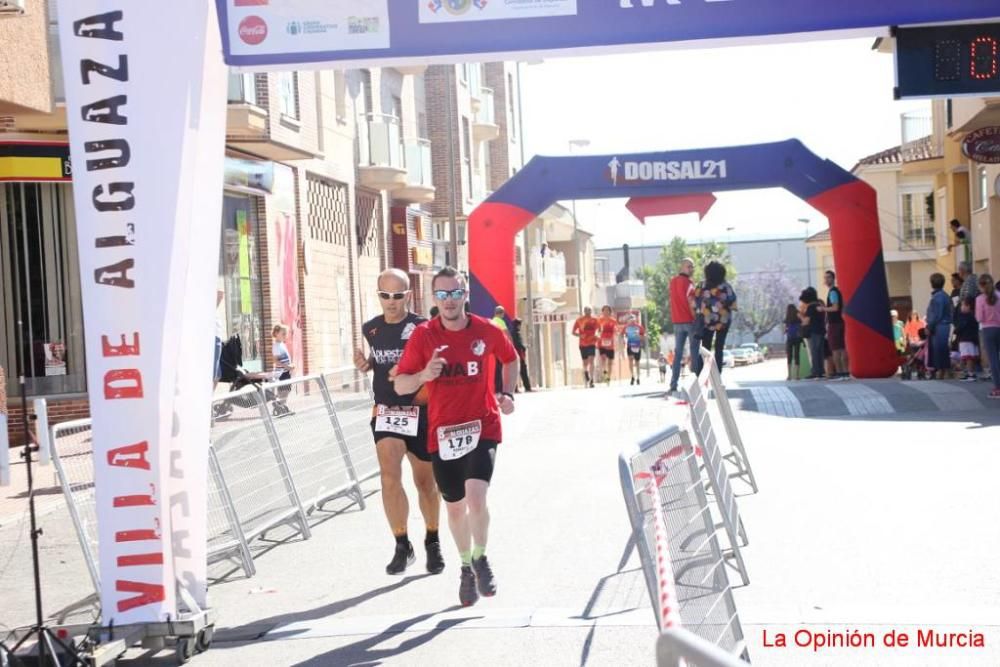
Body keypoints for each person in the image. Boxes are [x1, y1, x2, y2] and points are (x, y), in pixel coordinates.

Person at [394, 267, 519, 606]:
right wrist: (423, 373)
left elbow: (511, 359)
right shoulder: (423, 336)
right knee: (454, 509)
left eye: (455, 293)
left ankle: (480, 557)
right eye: (443, 294)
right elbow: (401, 384)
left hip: (483, 427)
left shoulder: (487, 331)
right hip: (443, 434)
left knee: (476, 499)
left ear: (466, 295)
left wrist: (507, 393)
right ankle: (465, 566)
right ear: (434, 298)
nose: (449, 301)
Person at [354, 269, 444, 575]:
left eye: (397, 296)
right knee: (389, 475)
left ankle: (433, 539)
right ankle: (402, 544)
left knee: (425, 483)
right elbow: (381, 361)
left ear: (408, 295)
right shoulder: (372, 329)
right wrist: (367, 365)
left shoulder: (424, 327)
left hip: (421, 412)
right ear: (378, 295)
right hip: (387, 412)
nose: (390, 302)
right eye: (384, 295)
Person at [693, 261, 736, 375]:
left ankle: (702, 374)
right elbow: (734, 303)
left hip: (707, 321)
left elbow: (695, 302)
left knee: (705, 348)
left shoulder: (701, 285)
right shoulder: (726, 287)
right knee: (719, 348)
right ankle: (717, 375)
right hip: (723, 321)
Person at [668, 258, 698, 393]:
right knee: (694, 351)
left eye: (692, 267)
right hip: (689, 321)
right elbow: (691, 302)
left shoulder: (672, 282)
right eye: (689, 267)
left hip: (676, 321)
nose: (691, 269)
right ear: (682, 267)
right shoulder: (690, 284)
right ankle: (696, 382)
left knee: (678, 354)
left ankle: (673, 384)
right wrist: (696, 317)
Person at [819, 270, 848, 379]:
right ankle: (845, 372)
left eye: (828, 277)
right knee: (842, 348)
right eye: (825, 278)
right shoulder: (837, 292)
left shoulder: (832, 292)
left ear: (833, 279)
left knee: (836, 349)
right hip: (839, 322)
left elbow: (835, 307)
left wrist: (823, 308)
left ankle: (841, 373)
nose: (826, 280)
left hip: (835, 324)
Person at [975, 274, 1000, 399]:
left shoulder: (980, 299)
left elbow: (979, 318)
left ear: (981, 285)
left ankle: (998, 388)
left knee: (993, 360)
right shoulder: (999, 296)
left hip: (988, 329)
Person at [925, 273, 953, 380]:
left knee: (939, 349)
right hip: (944, 325)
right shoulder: (945, 295)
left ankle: (941, 372)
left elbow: (936, 314)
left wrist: (929, 327)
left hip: (939, 326)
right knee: (942, 349)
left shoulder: (937, 297)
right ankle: (944, 370)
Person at [799, 287, 826, 380]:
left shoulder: (811, 307)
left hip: (813, 331)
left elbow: (806, 321)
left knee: (814, 351)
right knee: (820, 352)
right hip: (821, 330)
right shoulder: (819, 305)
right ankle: (821, 371)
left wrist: (800, 316)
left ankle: (815, 372)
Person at [953, 297, 980, 382]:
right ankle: (969, 373)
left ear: (968, 306)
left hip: (966, 339)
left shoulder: (966, 317)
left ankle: (970, 374)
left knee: (968, 357)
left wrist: (955, 331)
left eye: (963, 305)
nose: (961, 307)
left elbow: (961, 327)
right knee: (968, 357)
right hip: (970, 339)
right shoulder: (972, 316)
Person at [572, 307, 599, 387]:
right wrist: (580, 335)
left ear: (591, 311)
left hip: (592, 343)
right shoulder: (579, 320)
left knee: (591, 360)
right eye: (586, 311)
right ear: (584, 311)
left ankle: (591, 380)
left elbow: (599, 330)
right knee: (585, 362)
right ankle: (586, 373)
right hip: (583, 344)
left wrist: (597, 335)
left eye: (589, 310)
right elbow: (573, 332)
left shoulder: (595, 320)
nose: (588, 312)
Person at [596, 305, 619, 383]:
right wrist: (598, 333)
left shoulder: (613, 321)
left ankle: (609, 377)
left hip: (610, 343)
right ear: (602, 312)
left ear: (610, 312)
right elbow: (597, 331)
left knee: (610, 362)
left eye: (607, 310)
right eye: (604, 310)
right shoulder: (599, 320)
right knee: (603, 360)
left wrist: (616, 332)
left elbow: (616, 330)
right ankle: (605, 375)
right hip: (601, 343)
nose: (606, 312)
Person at [622, 314, 646, 386]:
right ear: (628, 320)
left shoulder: (639, 327)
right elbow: (622, 335)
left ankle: (638, 377)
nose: (632, 321)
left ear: (635, 319)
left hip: (637, 345)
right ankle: (633, 376)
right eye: (630, 319)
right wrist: (623, 339)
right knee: (630, 360)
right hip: (629, 345)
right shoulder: (626, 327)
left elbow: (644, 337)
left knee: (637, 362)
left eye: (633, 319)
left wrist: (639, 336)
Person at [509, 317, 532, 393]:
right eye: (519, 324)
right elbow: (519, 345)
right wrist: (524, 348)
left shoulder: (511, 333)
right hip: (519, 355)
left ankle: (515, 388)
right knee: (523, 371)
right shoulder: (516, 333)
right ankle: (527, 387)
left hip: (514, 355)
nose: (520, 326)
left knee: (514, 372)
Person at [784, 304, 803, 381]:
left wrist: (787, 330)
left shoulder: (787, 318)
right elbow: (802, 323)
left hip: (790, 338)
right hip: (797, 338)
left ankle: (789, 375)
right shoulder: (798, 316)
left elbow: (784, 330)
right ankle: (797, 375)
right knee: (797, 355)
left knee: (789, 356)